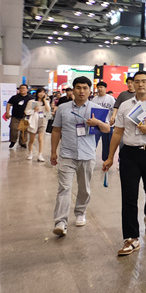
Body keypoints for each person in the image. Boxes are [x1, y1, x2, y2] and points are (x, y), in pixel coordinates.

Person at [102, 71, 146, 256]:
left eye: (144, 81)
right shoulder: (125, 105)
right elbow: (118, 132)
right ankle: (131, 238)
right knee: (129, 196)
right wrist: (110, 157)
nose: (140, 84)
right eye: (137, 81)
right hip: (130, 154)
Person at [50, 77, 110, 236]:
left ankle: (80, 212)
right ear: (73, 90)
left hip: (87, 155)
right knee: (64, 188)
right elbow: (56, 130)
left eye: (85, 88)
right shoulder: (62, 108)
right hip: (66, 155)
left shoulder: (96, 108)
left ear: (90, 91)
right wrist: (53, 151)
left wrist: (97, 122)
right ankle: (60, 222)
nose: (81, 91)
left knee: (84, 188)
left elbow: (107, 129)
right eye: (78, 87)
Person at [92, 81, 116, 163]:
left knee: (107, 144)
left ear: (105, 88)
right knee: (93, 142)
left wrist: (113, 119)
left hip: (107, 125)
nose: (99, 89)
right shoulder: (94, 99)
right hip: (96, 125)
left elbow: (114, 110)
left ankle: (106, 160)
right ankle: (91, 158)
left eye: (101, 87)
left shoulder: (110, 99)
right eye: (98, 87)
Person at [25, 87, 51, 161]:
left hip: (43, 120)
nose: (41, 94)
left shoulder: (46, 102)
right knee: (32, 139)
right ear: (37, 93)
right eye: (40, 92)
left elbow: (48, 110)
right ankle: (30, 153)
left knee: (40, 138)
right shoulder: (32, 102)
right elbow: (26, 111)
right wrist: (34, 110)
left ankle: (40, 155)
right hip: (34, 120)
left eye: (43, 92)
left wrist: (45, 100)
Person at [4, 84, 34, 148]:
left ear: (27, 89)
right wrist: (7, 113)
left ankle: (23, 143)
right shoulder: (14, 97)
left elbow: (34, 107)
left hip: (26, 117)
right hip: (15, 116)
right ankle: (13, 141)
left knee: (24, 131)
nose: (22, 89)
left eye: (23, 88)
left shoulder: (31, 98)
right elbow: (8, 104)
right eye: (21, 88)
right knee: (13, 129)